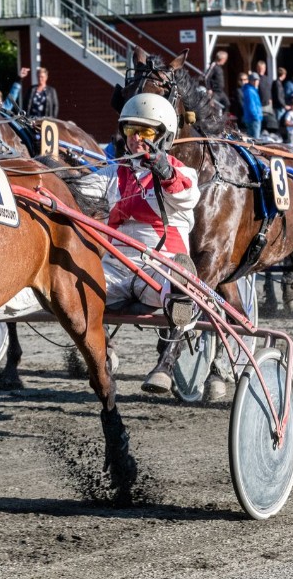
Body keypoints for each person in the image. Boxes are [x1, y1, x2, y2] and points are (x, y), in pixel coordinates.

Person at [80, 93, 200, 393]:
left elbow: (186, 195)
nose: (135, 139)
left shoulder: (184, 173)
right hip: (118, 268)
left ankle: (167, 363)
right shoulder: (113, 173)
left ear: (164, 135)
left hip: (161, 266)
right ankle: (103, 349)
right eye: (131, 130)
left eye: (145, 131)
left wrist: (166, 171)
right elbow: (77, 192)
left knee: (179, 281)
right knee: (78, 286)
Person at [241, 72, 263, 138]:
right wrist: (257, 117)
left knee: (251, 140)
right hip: (253, 119)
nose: (256, 82)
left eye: (257, 80)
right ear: (250, 81)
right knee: (255, 141)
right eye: (254, 80)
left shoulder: (252, 90)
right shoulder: (250, 91)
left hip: (252, 118)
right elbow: (251, 106)